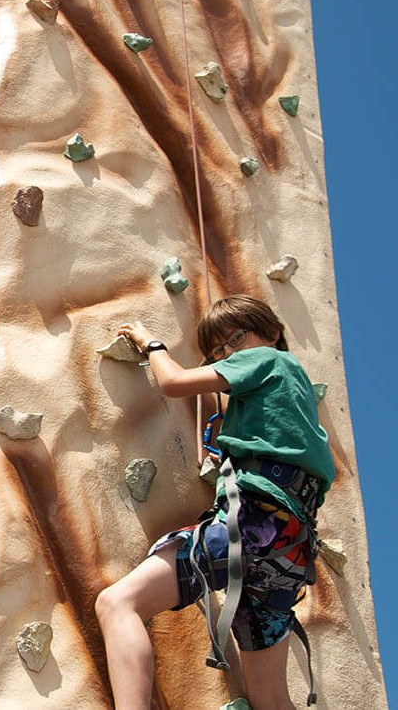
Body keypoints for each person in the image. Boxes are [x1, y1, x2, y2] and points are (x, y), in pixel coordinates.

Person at [95, 295, 335, 710]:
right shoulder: (283, 397)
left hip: (256, 528)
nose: (226, 355)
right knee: (271, 699)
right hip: (289, 550)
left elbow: (173, 383)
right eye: (217, 351)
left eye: (234, 340)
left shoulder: (269, 360)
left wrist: (152, 343)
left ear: (272, 334)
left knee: (117, 603)